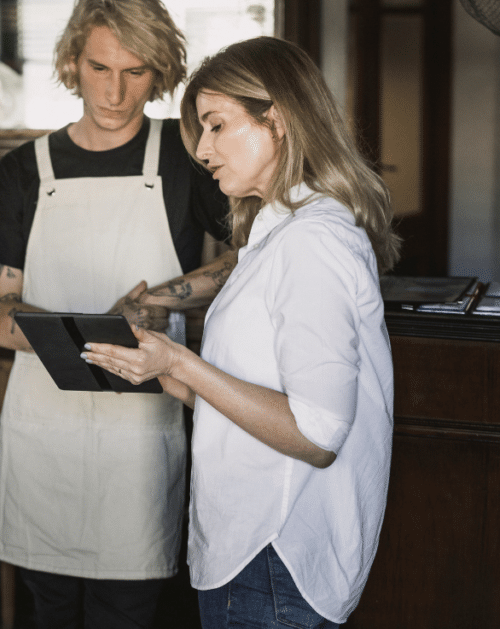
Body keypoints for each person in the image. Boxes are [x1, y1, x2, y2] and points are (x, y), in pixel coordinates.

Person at [84, 36, 400, 628]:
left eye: (217, 125)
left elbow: (315, 434)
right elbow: (247, 395)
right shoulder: (276, 235)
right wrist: (157, 372)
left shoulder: (314, 241)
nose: (203, 150)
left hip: (274, 554)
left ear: (276, 120)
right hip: (252, 548)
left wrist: (181, 363)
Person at [0, 0, 236, 629]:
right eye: (98, 68)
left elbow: (246, 259)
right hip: (44, 429)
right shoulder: (23, 172)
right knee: (50, 607)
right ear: (69, 65)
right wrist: (106, 334)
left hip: (141, 433)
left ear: (160, 73)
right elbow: (1, 321)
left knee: (132, 608)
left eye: (135, 71)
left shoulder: (186, 158)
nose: (114, 92)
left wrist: (160, 300)